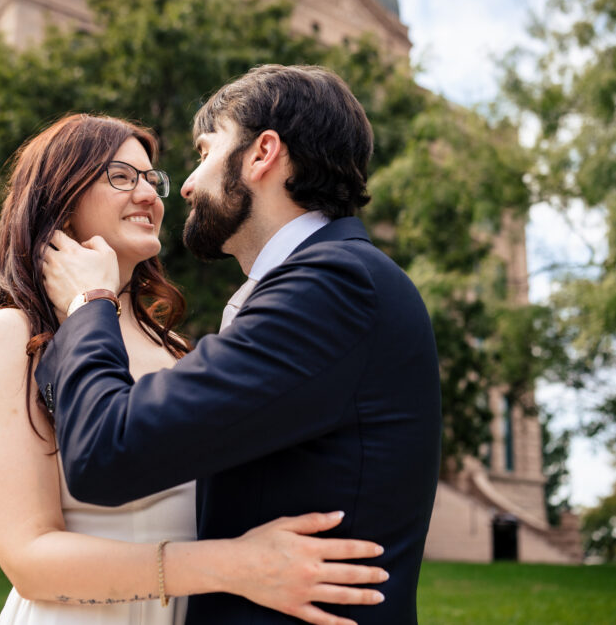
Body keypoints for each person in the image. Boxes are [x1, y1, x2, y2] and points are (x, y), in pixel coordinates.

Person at [37, 65, 443, 624]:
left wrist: (88, 305)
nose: (183, 185)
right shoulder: (326, 282)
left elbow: (108, 451)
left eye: (205, 152)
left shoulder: (332, 285)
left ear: (261, 154)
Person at [0, 113, 390, 625]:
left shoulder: (178, 348)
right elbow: (29, 561)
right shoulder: (11, 334)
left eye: (150, 179)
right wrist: (233, 566)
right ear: (62, 199)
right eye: (121, 176)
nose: (149, 195)